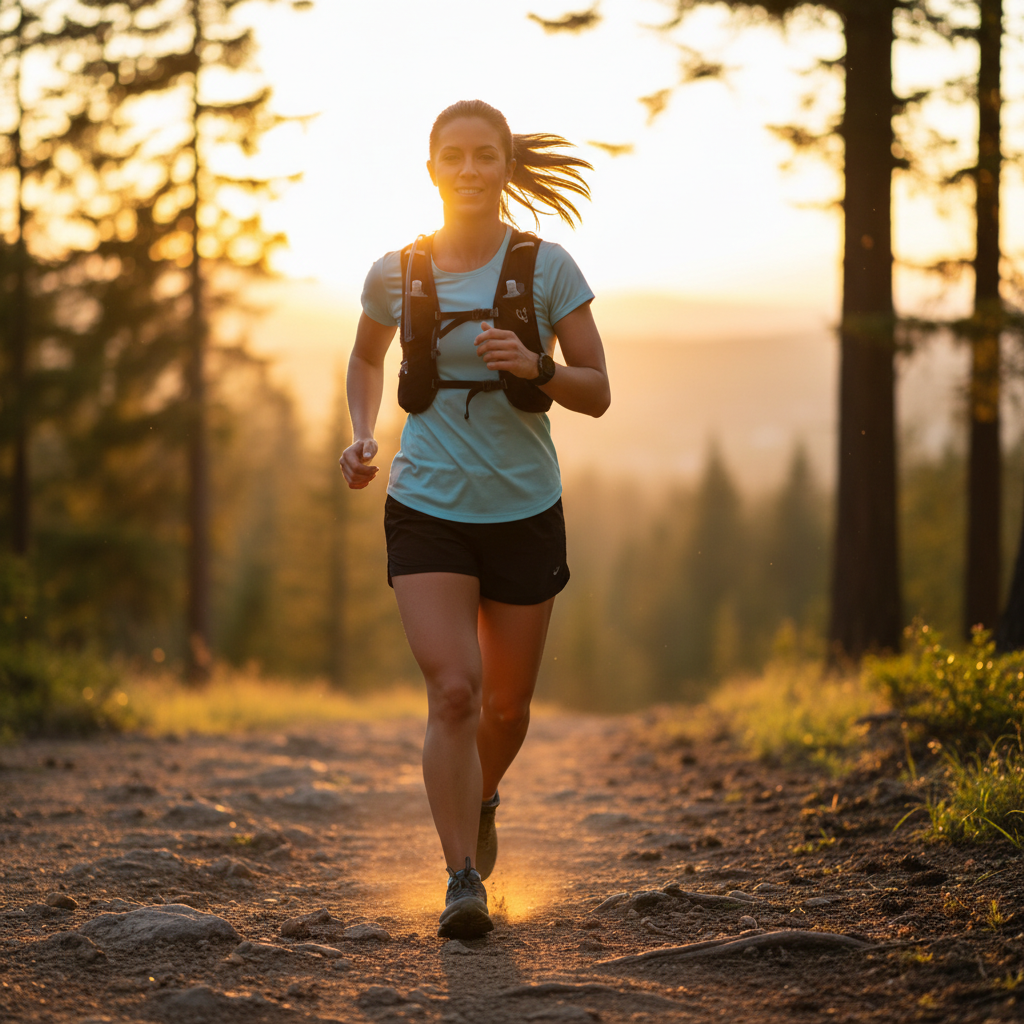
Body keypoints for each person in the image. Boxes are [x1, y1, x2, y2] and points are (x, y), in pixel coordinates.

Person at [340, 99, 610, 940]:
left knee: (505, 707)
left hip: (525, 508)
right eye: (451, 157)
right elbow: (363, 357)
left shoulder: (548, 266)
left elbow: (598, 389)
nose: (467, 169)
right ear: (430, 170)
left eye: (483, 156)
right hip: (426, 503)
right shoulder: (397, 271)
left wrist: (538, 365)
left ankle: (484, 793)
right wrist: (359, 435)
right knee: (454, 691)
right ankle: (462, 878)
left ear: (503, 167)